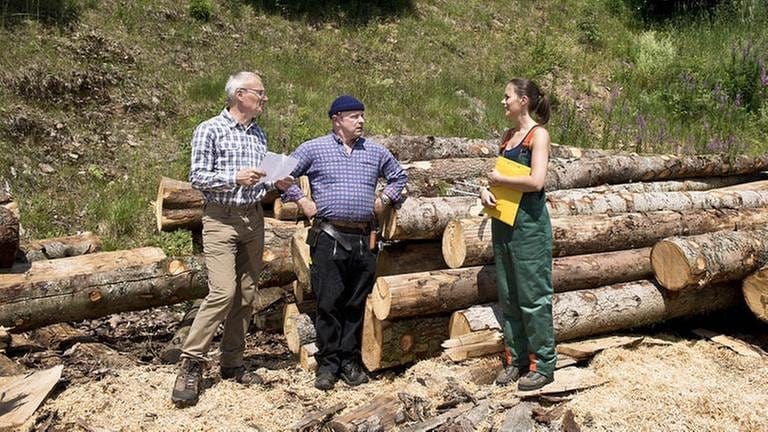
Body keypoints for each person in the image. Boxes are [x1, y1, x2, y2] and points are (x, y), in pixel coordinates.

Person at [171, 71, 292, 407]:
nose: (265, 98)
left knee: (247, 293)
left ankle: (232, 363)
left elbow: (259, 182)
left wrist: (276, 183)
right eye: (260, 93)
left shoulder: (258, 134)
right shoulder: (209, 129)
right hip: (220, 220)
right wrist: (235, 177)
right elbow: (197, 177)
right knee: (223, 291)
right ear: (240, 94)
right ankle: (191, 363)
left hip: (252, 219)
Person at [282, 95, 407, 391]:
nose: (361, 121)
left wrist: (384, 199)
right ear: (336, 119)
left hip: (364, 239)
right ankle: (327, 365)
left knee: (354, 304)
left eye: (362, 116)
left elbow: (399, 177)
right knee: (329, 304)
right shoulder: (314, 148)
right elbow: (280, 176)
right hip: (329, 236)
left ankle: (350, 362)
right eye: (354, 116)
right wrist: (302, 201)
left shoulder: (374, 151)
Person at [479, 78, 556, 391]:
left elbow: (536, 181)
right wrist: (486, 191)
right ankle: (517, 360)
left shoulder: (538, 135)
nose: (503, 101)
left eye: (507, 96)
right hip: (503, 222)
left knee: (533, 296)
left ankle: (544, 365)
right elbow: (500, 180)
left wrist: (499, 178)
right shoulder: (507, 137)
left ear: (523, 100)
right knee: (509, 295)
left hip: (529, 226)